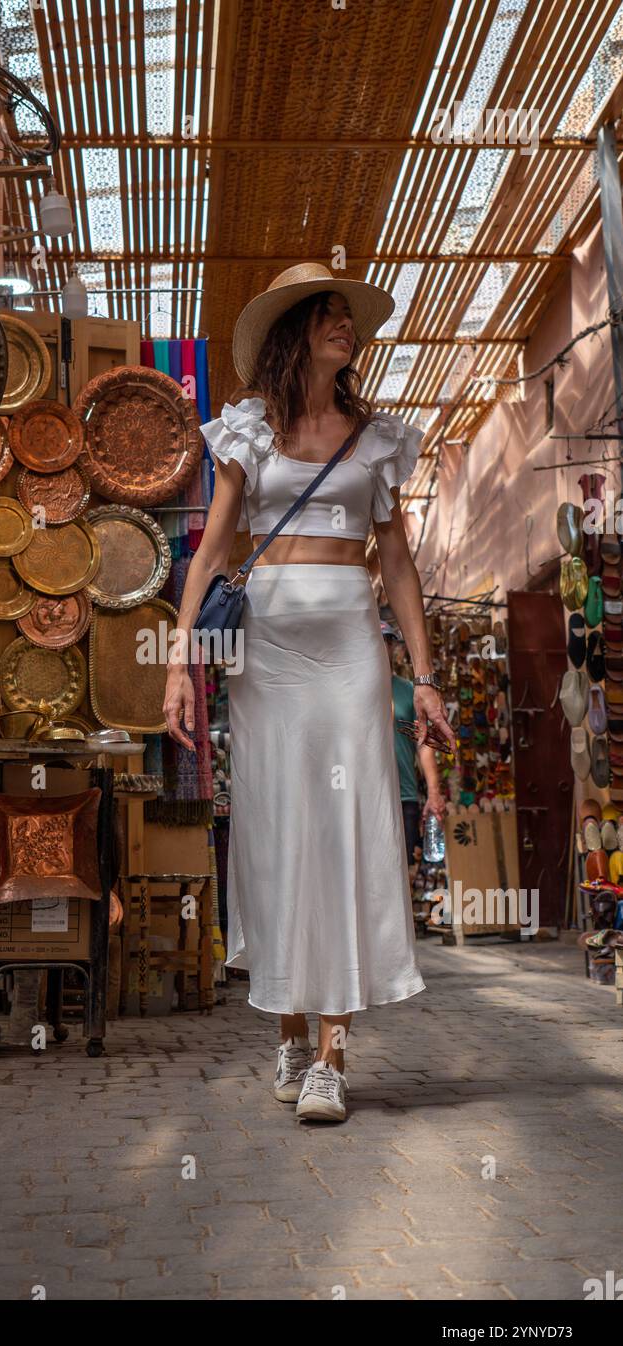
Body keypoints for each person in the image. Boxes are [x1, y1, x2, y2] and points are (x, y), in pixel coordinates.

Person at [163, 263, 457, 1123]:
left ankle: (333, 1050)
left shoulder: (376, 438)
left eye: (348, 317)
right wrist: (180, 661)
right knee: (277, 830)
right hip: (269, 657)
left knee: (345, 830)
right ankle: (289, 1024)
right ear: (295, 335)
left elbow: (396, 566)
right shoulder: (250, 432)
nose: (346, 327)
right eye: (328, 316)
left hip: (350, 654)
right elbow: (213, 553)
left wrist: (427, 677)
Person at [381, 620, 447, 865]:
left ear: (392, 647)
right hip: (366, 798)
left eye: (386, 641)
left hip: (403, 796)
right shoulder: (352, 692)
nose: (380, 647)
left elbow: (424, 744)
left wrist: (434, 792)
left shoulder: (409, 690)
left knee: (405, 871)